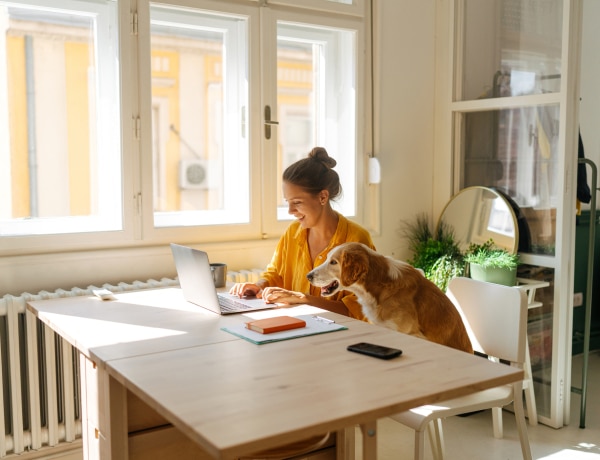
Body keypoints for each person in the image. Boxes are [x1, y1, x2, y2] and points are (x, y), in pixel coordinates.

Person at [229, 146, 375, 320]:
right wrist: (258, 286)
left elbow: (359, 311)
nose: (290, 210)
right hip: (296, 326)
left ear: (323, 197)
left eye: (297, 202)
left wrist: (304, 300)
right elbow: (276, 274)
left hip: (340, 335)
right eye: (288, 202)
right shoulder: (293, 232)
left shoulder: (356, 240)